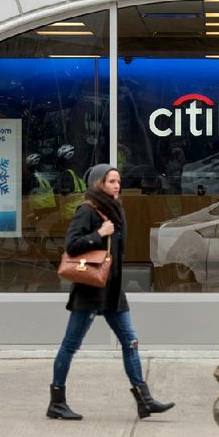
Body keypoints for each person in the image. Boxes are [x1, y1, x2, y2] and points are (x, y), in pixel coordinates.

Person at [47, 163, 175, 421]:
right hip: (90, 290)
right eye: (111, 182)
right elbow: (71, 245)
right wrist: (98, 234)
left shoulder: (116, 210)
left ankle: (144, 400)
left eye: (118, 181)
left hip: (113, 292)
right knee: (70, 345)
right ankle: (56, 402)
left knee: (130, 342)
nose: (117, 186)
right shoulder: (88, 211)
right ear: (98, 184)